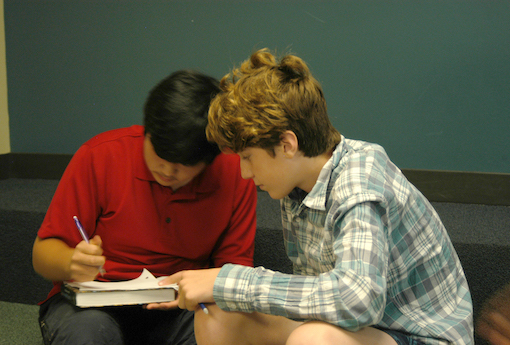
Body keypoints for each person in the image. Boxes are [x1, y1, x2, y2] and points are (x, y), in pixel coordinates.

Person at [158, 49, 474, 345]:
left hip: (417, 335)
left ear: (287, 145)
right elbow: (319, 299)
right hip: (358, 331)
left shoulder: (360, 178)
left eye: (248, 157)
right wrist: (224, 291)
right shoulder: (294, 186)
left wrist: (230, 282)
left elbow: (357, 300)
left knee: (313, 340)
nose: (244, 173)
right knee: (216, 316)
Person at [32, 70, 257, 345]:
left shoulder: (234, 174)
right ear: (146, 131)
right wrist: (70, 263)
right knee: (87, 335)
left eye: (183, 164)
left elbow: (234, 272)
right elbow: (42, 254)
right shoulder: (99, 156)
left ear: (210, 158)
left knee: (227, 329)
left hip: (180, 306)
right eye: (159, 154)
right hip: (93, 305)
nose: (167, 170)